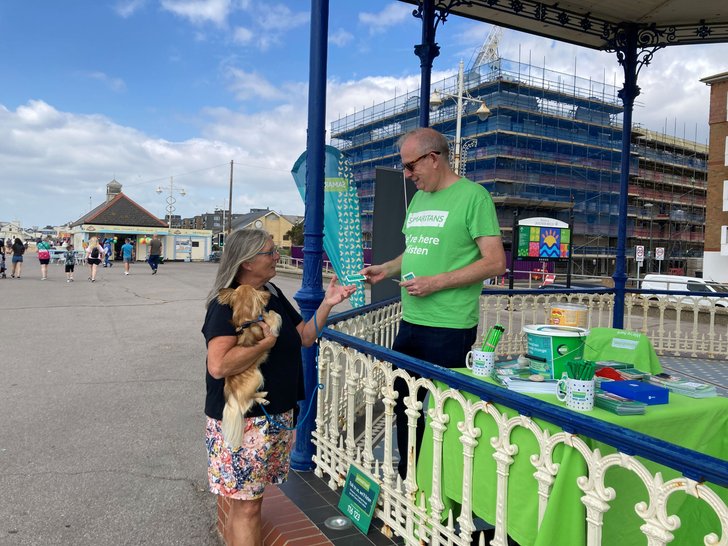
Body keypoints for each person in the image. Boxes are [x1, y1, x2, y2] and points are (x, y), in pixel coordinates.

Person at [360, 127, 506, 479]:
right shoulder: (421, 199)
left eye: (411, 167)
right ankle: (411, 476)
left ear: (434, 158)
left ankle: (434, 485)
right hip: (411, 320)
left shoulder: (474, 197)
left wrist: (435, 283)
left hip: (449, 326)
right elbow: (416, 250)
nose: (408, 176)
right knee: (401, 404)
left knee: (440, 413)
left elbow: (495, 262)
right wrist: (388, 267)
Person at [202, 229, 355, 546]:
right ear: (246, 262)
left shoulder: (270, 292)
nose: (277, 257)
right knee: (248, 508)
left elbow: (305, 337)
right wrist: (264, 344)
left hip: (274, 416)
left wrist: (327, 304)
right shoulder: (225, 303)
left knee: (245, 503)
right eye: (269, 252)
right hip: (244, 420)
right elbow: (219, 365)